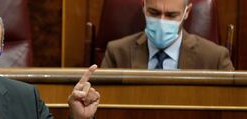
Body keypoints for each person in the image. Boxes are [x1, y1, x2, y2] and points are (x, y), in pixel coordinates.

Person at [100, 0, 234, 70]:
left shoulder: (215, 58)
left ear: (187, 12)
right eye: (154, 12)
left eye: (171, 15)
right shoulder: (117, 53)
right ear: (143, 6)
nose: (162, 21)